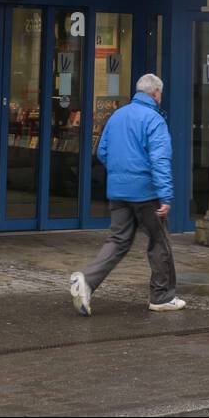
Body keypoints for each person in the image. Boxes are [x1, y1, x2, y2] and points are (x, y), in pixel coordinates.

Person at [70, 74, 185, 315]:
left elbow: (102, 151)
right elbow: (160, 159)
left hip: (118, 191)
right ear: (155, 93)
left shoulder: (117, 116)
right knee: (159, 241)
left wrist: (120, 172)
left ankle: (87, 282)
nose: (160, 97)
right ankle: (162, 296)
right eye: (160, 94)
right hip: (146, 193)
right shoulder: (154, 120)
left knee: (118, 240)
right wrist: (165, 196)